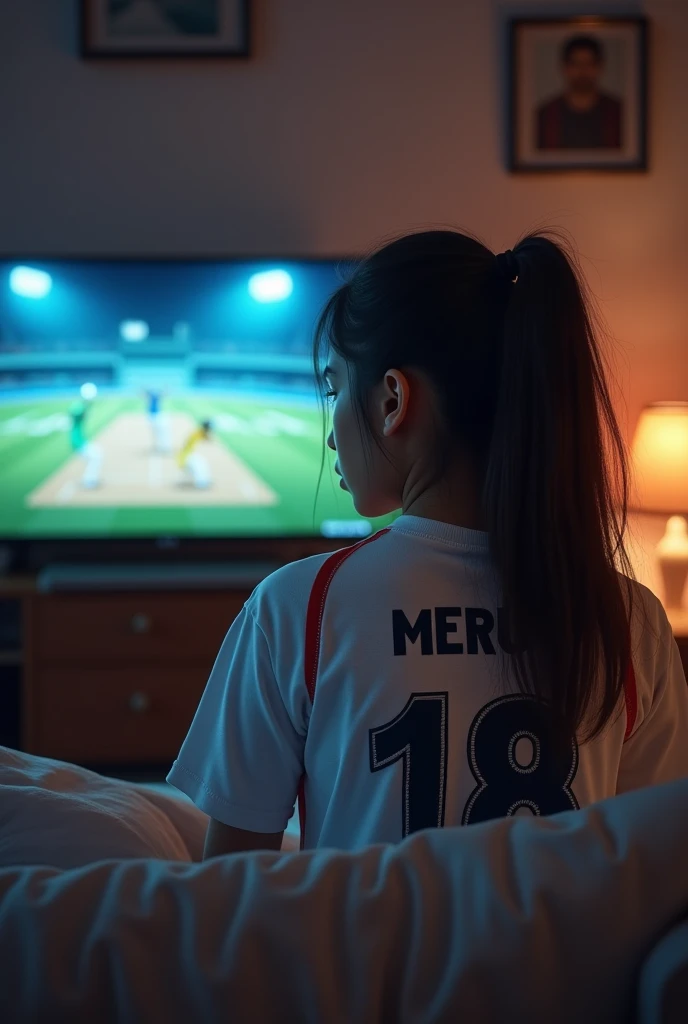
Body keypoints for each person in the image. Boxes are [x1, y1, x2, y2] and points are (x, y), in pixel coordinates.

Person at [167, 229, 688, 858]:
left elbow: (233, 892)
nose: (332, 437)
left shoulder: (297, 609)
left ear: (392, 399)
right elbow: (655, 868)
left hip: (366, 962)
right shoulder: (631, 620)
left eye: (334, 389)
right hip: (567, 962)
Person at [537, 35, 623, 149]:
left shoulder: (617, 112)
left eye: (589, 64)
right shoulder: (546, 115)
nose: (582, 71)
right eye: (576, 64)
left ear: (600, 67)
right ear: (565, 67)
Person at [69, 383, 101, 489]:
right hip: (78, 441)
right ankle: (89, 481)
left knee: (97, 455)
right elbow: (73, 412)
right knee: (96, 456)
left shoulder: (83, 405)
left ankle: (90, 479)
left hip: (80, 440)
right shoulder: (79, 406)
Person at [176, 419, 212, 489]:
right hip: (187, 456)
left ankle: (202, 481)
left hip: (187, 455)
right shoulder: (198, 433)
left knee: (200, 464)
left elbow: (206, 436)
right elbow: (207, 437)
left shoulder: (197, 432)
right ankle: (201, 483)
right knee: (200, 466)